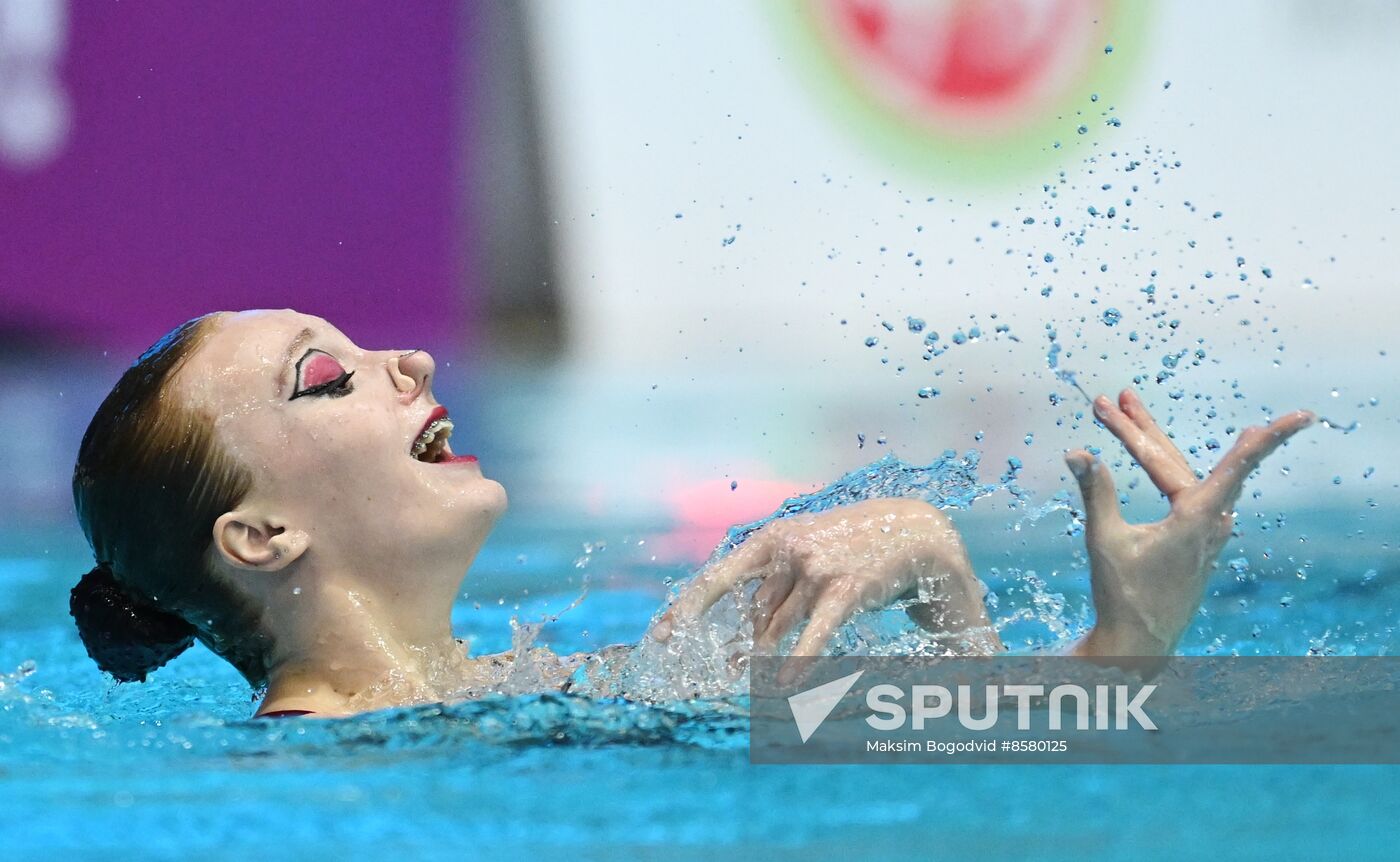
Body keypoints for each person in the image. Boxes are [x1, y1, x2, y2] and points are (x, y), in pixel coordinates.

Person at [69, 310, 1314, 717]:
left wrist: (1121, 653)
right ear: (258, 537)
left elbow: (1000, 767)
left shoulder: (551, 691)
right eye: (324, 378)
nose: (408, 359)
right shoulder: (315, 802)